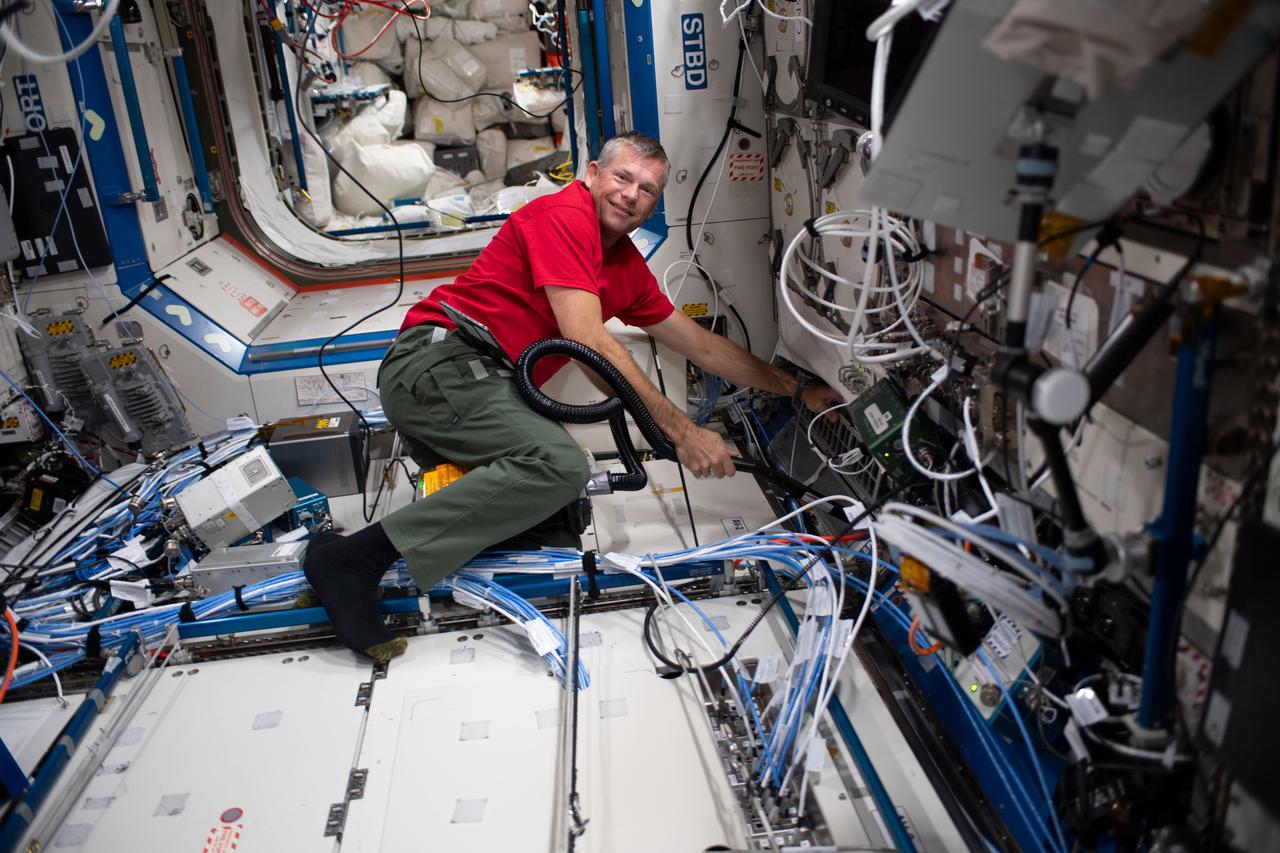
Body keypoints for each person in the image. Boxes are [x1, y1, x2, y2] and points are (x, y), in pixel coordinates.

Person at [303, 131, 843, 661]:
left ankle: (337, 554)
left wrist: (796, 387)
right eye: (622, 177)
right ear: (591, 176)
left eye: (648, 189)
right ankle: (353, 562)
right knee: (559, 467)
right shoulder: (564, 217)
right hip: (439, 363)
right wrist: (684, 432)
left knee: (553, 513)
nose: (632, 194)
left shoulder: (625, 265)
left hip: (472, 378)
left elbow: (701, 345)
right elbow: (587, 339)